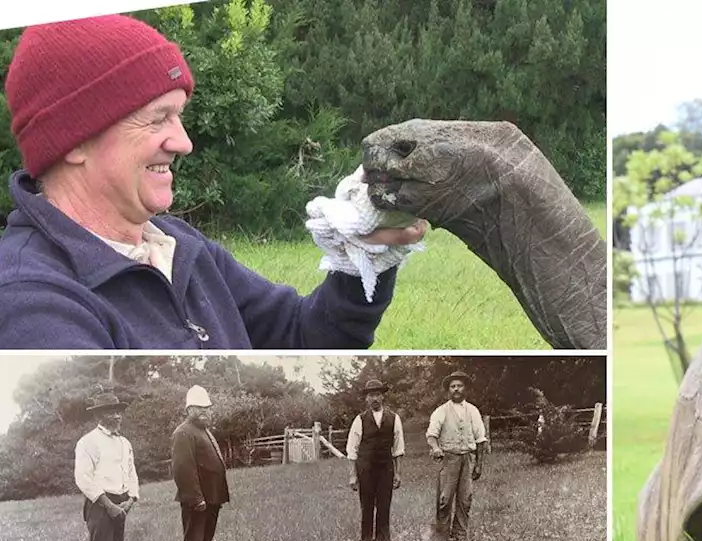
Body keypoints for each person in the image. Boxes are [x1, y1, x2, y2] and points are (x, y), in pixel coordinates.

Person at [0, 13, 425, 349]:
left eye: (179, 115)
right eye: (157, 119)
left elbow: (301, 337)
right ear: (75, 139)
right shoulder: (32, 302)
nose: (183, 142)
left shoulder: (177, 245)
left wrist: (362, 258)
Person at [73, 392, 139, 541]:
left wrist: (131, 499)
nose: (117, 415)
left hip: (120, 502)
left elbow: (131, 473)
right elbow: (83, 478)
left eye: (119, 411)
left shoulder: (124, 442)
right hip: (99, 504)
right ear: (99, 415)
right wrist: (108, 504)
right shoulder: (88, 442)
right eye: (111, 411)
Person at [170, 385, 229, 541]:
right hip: (198, 501)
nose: (204, 411)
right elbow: (182, 469)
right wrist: (196, 499)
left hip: (211, 497)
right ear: (189, 409)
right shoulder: (183, 432)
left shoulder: (203, 430)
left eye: (207, 408)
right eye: (199, 407)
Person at [426, 371, 489, 541]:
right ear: (448, 390)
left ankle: (460, 536)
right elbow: (431, 435)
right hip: (449, 459)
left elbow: (481, 440)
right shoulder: (441, 411)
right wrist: (436, 448)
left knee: (465, 499)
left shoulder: (473, 411)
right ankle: (442, 536)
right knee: (444, 499)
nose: (456, 389)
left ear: (465, 388)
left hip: (467, 459)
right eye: (452, 386)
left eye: (459, 386)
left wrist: (479, 465)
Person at [345, 379, 404, 541]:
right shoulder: (360, 419)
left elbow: (399, 448)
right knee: (367, 504)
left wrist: (398, 473)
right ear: (366, 399)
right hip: (366, 468)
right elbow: (352, 449)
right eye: (371, 395)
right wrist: (352, 475)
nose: (375, 398)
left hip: (385, 467)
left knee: (384, 504)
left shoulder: (394, 418)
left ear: (383, 396)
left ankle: (383, 540)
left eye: (378, 394)